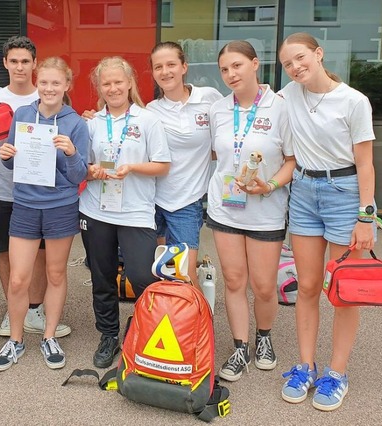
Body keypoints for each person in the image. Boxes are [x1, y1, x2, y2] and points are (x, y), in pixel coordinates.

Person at [278, 32, 378, 411]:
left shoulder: (353, 101)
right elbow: (251, 98)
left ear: (318, 54)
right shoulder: (289, 94)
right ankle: (305, 366)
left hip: (345, 193)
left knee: (342, 289)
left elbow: (366, 163)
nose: (296, 67)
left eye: (301, 58)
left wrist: (366, 216)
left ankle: (336, 374)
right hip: (303, 191)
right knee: (306, 285)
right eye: (288, 63)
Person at [0, 56, 88, 371]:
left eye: (55, 83)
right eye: (44, 82)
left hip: (60, 206)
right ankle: (16, 340)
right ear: (37, 82)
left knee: (56, 274)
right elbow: (12, 160)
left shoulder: (76, 123)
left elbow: (78, 175)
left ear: (66, 86)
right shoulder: (23, 113)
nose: (49, 88)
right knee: (19, 279)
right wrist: (6, 155)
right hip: (26, 204)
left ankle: (49, 336)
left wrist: (71, 153)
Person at [207, 40, 295, 382]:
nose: (231, 74)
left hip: (266, 209)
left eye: (237, 66)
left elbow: (291, 159)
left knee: (262, 286)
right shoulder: (218, 109)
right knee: (233, 280)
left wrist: (269, 185)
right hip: (225, 207)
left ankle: (264, 338)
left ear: (255, 64)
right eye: (225, 69)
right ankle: (240, 346)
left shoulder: (280, 107)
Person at [80, 56, 171, 369]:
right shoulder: (90, 124)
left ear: (130, 83)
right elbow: (81, 167)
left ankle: (142, 326)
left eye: (119, 82)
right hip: (95, 210)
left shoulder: (148, 121)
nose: (113, 88)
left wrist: (131, 167)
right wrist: (92, 172)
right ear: (99, 88)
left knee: (143, 276)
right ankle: (108, 335)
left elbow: (162, 165)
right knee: (102, 278)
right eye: (107, 83)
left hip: (135, 212)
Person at [0, 36, 71, 339]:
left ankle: (35, 310)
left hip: (43, 196)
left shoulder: (49, 93)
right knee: (8, 254)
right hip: (2, 189)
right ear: (5, 63)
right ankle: (14, 312)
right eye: (14, 61)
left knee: (42, 257)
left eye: (25, 61)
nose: (20, 67)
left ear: (34, 64)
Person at [146, 41, 223, 288]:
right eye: (158, 67)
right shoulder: (151, 110)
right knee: (161, 274)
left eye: (171, 64)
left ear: (184, 67)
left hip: (186, 202)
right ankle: (164, 323)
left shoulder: (209, 97)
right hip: (152, 200)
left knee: (184, 275)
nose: (165, 71)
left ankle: (195, 325)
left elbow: (225, 136)